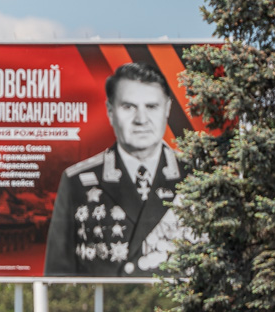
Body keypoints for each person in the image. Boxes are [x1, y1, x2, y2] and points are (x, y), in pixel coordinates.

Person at [44, 61, 190, 277]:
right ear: (111, 112)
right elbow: (58, 276)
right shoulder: (78, 182)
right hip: (101, 308)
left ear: (167, 109)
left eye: (151, 107)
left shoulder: (196, 176)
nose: (141, 120)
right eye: (129, 107)